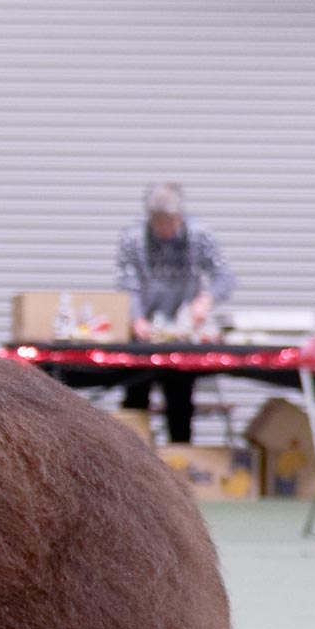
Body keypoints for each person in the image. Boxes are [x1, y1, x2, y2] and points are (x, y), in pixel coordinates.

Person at [115, 181, 237, 444]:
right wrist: (136, 318)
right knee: (136, 397)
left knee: (180, 399)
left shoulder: (199, 235)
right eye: (158, 222)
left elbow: (225, 276)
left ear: (180, 216)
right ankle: (130, 453)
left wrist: (206, 298)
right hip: (144, 337)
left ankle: (180, 456)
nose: (164, 229)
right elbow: (127, 284)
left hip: (183, 335)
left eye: (169, 222)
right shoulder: (133, 239)